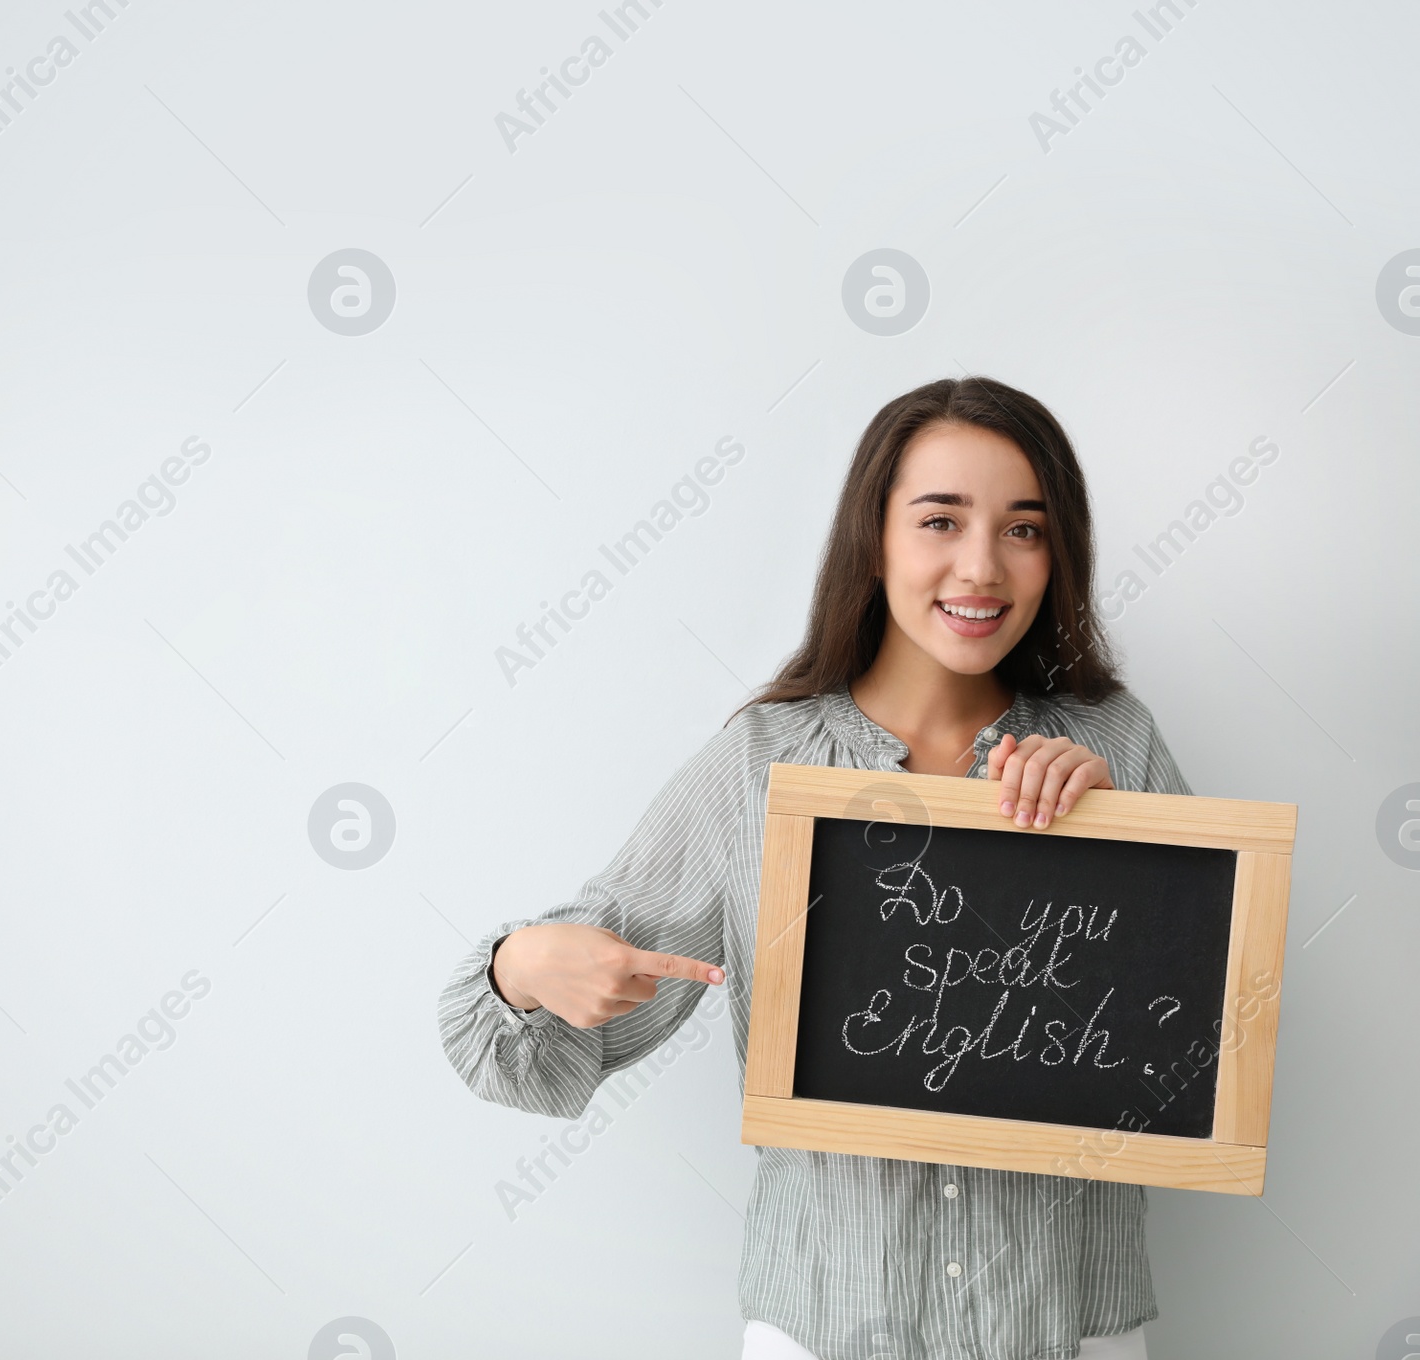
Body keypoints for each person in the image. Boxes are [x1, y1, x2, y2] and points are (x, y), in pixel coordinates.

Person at [438, 377, 1188, 1359]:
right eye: (939, 520)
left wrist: (1120, 841)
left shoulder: (1116, 747)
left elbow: (1204, 1046)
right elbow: (541, 1049)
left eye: (1023, 529)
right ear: (872, 540)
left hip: (1072, 1327)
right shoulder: (758, 766)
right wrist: (523, 968)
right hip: (825, 1324)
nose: (980, 566)